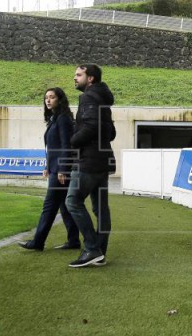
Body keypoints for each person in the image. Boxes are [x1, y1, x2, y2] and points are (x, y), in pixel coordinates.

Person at [66, 64, 116, 268]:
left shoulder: (87, 98)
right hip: (103, 161)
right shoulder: (103, 99)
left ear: (91, 78)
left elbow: (90, 127)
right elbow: (111, 133)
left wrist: (73, 140)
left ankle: (92, 248)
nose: (75, 78)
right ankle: (99, 252)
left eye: (79, 75)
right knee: (101, 209)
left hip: (88, 161)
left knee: (72, 201)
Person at [19, 87, 80, 251]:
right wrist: (47, 166)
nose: (48, 100)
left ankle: (38, 242)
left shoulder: (63, 119)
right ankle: (74, 240)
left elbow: (67, 146)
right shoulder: (55, 119)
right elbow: (53, 147)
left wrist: (62, 169)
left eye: (52, 97)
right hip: (55, 168)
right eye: (46, 97)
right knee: (64, 206)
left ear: (59, 99)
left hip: (61, 170)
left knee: (49, 206)